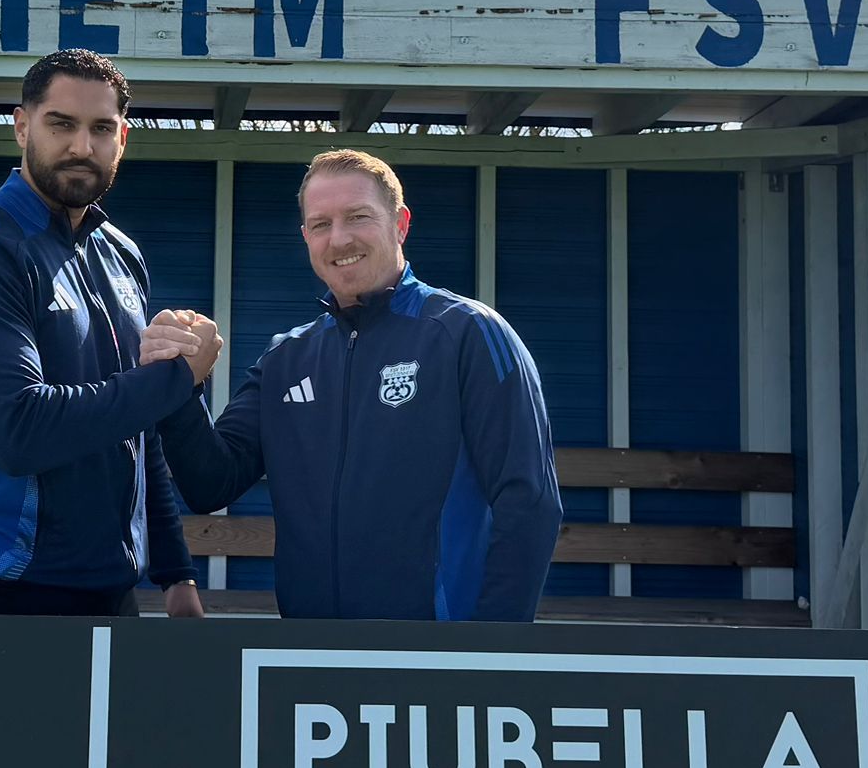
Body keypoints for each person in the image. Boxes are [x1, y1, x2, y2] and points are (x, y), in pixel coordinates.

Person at [149, 149, 561, 621]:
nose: (339, 238)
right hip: (311, 650)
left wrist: (495, 646)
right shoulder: (286, 357)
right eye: (321, 224)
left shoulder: (467, 333)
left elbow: (529, 500)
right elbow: (210, 484)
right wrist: (183, 385)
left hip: (438, 650)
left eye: (358, 217)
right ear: (306, 237)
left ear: (400, 224)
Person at [0, 49, 224, 616]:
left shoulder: (122, 254)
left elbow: (136, 425)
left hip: (111, 586)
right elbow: (17, 431)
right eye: (61, 124)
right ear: (22, 126)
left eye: (101, 128)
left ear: (121, 139)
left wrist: (175, 572)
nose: (82, 146)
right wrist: (177, 378)